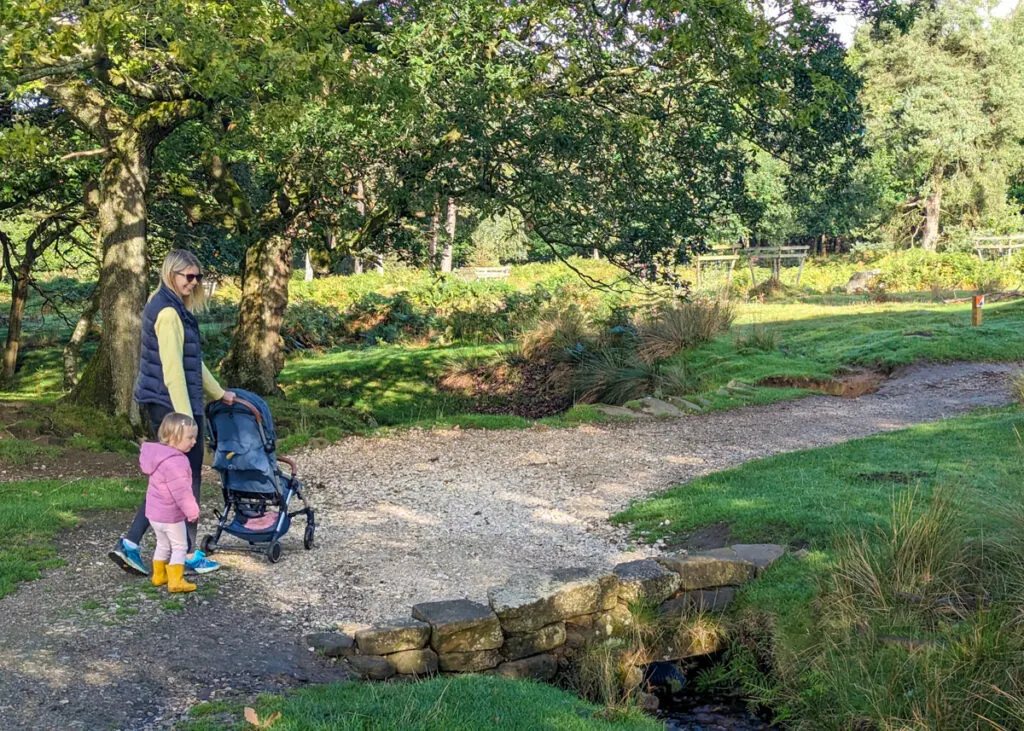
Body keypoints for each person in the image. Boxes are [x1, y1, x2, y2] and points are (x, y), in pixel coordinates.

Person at [109, 249, 236, 576]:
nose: (192, 283)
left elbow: (192, 361)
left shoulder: (168, 305)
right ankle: (188, 554)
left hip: (163, 402)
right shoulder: (168, 312)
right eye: (187, 276)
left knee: (167, 478)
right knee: (185, 477)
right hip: (171, 404)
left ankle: (131, 544)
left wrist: (219, 393)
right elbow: (173, 372)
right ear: (170, 274)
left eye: (197, 277)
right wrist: (186, 423)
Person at [142, 413, 201, 593]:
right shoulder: (177, 462)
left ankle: (159, 575)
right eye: (190, 437)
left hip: (154, 514)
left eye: (195, 437)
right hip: (170, 516)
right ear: (174, 437)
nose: (194, 442)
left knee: (163, 544)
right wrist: (192, 511)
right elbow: (181, 492)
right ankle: (176, 580)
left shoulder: (157, 455)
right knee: (179, 546)